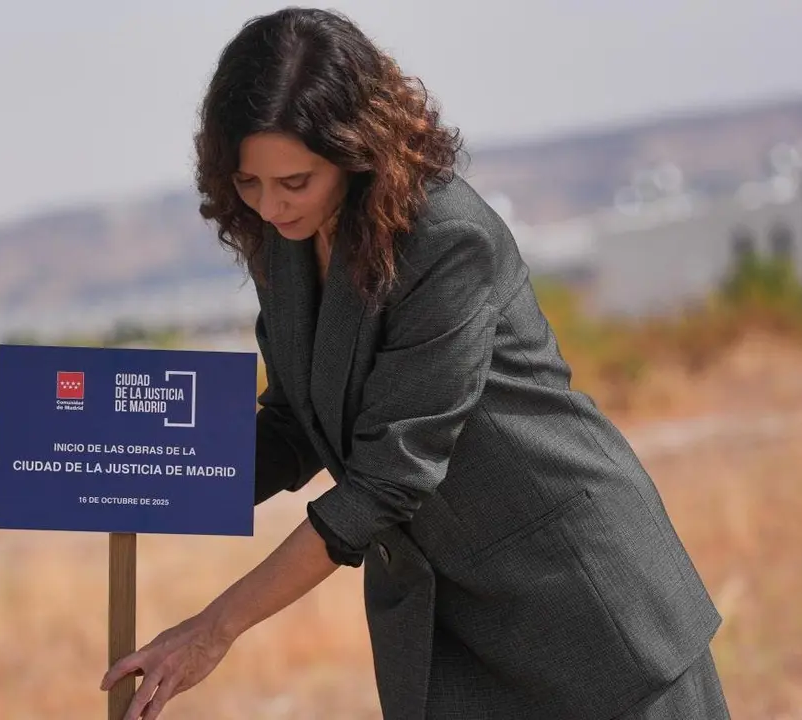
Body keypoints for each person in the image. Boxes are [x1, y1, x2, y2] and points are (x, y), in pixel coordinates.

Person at [100, 8, 730, 719]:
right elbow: (299, 422)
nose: (270, 207)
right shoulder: (287, 238)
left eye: (295, 181)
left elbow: (386, 478)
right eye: (248, 182)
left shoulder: (445, 236)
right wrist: (146, 478)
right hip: (442, 625)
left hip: (580, 606)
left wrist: (212, 630)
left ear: (355, 146)